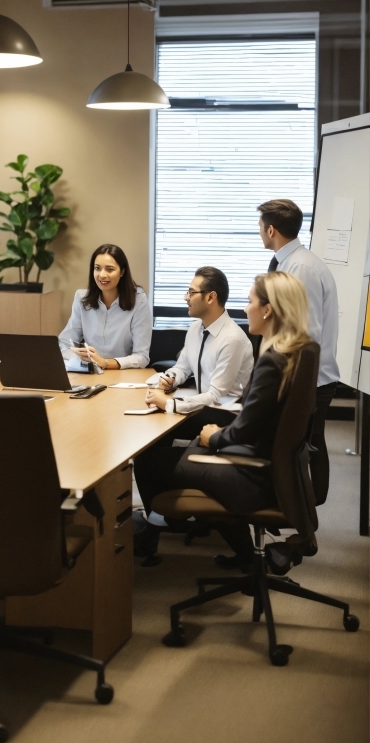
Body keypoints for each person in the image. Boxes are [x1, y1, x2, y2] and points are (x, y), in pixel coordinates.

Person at [140, 271, 315, 569]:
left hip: (253, 476)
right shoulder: (296, 352)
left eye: (250, 302)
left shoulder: (271, 361)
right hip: (270, 467)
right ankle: (242, 553)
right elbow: (257, 421)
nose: (245, 309)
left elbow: (247, 428)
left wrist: (215, 438)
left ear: (267, 309)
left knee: (149, 460)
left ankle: (163, 526)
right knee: (187, 447)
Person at [134, 266, 253, 538]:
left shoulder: (232, 339)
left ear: (211, 297)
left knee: (150, 455)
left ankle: (161, 522)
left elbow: (216, 395)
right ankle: (169, 516)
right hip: (206, 409)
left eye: (191, 292)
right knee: (151, 440)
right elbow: (183, 367)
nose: (186, 297)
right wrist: (170, 380)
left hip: (227, 416)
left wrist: (170, 404)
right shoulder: (196, 329)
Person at [258, 199, 339, 505]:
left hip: (310, 379)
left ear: (271, 229)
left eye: (260, 228)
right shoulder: (291, 262)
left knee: (307, 444)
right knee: (308, 442)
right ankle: (308, 509)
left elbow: (308, 332)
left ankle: (310, 509)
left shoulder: (300, 267)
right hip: (308, 375)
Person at [59, 243, 152, 371]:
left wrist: (105, 363)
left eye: (109, 269)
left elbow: (142, 357)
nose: (102, 275)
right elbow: (63, 343)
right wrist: (82, 358)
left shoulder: (139, 302)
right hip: (90, 373)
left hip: (123, 376)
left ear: (122, 272)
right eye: (97, 268)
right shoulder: (81, 298)